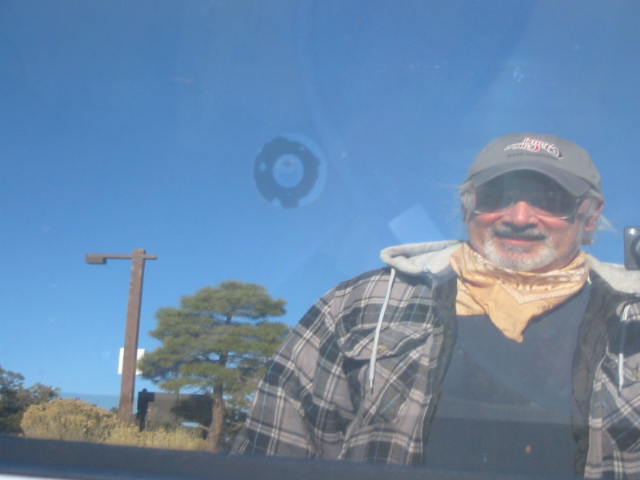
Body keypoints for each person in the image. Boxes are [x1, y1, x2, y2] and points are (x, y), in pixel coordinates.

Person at [233, 133, 640, 478]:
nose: (519, 216)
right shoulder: (359, 304)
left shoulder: (632, 319)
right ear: (467, 206)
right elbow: (268, 459)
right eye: (497, 195)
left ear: (589, 216)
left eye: (549, 199)